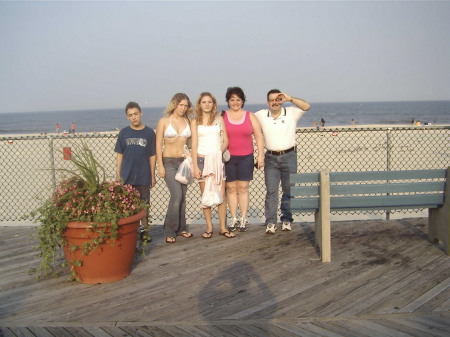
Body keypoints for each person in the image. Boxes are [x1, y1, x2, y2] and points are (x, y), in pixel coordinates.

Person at [255, 89, 310, 234]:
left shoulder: (291, 112)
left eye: (277, 99)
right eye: (271, 100)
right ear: (267, 102)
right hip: (271, 158)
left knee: (289, 190)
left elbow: (306, 106)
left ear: (281, 101)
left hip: (289, 156)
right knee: (271, 191)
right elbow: (243, 119)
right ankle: (270, 222)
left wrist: (289, 98)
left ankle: (286, 219)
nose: (274, 102)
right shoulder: (261, 115)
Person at [191, 92, 234, 239]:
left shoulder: (219, 119)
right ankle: (209, 227)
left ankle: (223, 227)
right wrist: (195, 166)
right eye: (204, 102)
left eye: (210, 102)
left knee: (221, 195)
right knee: (206, 196)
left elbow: (225, 141)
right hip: (202, 161)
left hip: (217, 161)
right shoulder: (194, 121)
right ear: (200, 104)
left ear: (213, 104)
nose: (207, 104)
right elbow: (194, 144)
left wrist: (217, 153)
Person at [222, 87, 264, 232]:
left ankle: (243, 218)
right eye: (232, 100)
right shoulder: (222, 116)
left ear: (242, 101)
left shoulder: (249, 116)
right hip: (228, 158)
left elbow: (258, 135)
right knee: (231, 188)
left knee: (243, 188)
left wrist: (260, 156)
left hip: (246, 157)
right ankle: (233, 218)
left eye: (238, 100)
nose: (235, 102)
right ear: (228, 101)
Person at [115, 102, 156, 240]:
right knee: (128, 206)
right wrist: (118, 174)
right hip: (127, 175)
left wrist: (152, 175)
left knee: (144, 205)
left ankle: (145, 231)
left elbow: (152, 155)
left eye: (136, 114)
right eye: (130, 115)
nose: (134, 117)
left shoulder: (149, 133)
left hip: (143, 176)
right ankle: (131, 231)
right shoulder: (124, 133)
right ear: (127, 117)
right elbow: (119, 154)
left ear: (141, 113)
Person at [156, 93, 193, 244]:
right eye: (180, 105)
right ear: (174, 104)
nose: (183, 108)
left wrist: (190, 153)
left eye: (185, 106)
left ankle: (181, 228)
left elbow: (190, 143)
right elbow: (158, 144)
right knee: (176, 195)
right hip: (169, 161)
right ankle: (169, 230)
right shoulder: (164, 121)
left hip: (183, 162)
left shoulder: (188, 121)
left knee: (183, 197)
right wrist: (160, 165)